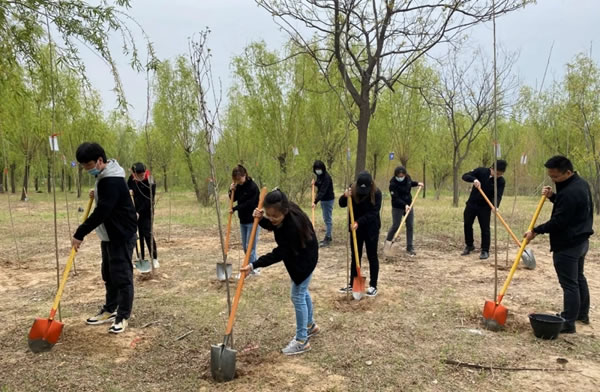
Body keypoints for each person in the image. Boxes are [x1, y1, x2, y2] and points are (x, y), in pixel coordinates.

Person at [241, 189, 319, 355]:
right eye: (268, 215)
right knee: (302, 292)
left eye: (274, 216)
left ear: (284, 211)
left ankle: (301, 340)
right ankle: (310, 326)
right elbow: (273, 224)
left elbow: (278, 253)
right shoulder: (285, 212)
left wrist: (254, 265)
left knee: (297, 295)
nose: (272, 219)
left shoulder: (291, 228)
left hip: (303, 260)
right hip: (304, 255)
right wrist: (261, 219)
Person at [72, 142, 137, 334]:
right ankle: (110, 308)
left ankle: (123, 315)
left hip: (121, 234)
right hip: (109, 234)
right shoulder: (105, 175)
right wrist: (97, 193)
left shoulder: (112, 180)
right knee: (108, 273)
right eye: (83, 166)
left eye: (88, 165)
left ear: (100, 161)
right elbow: (108, 198)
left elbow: (102, 212)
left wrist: (79, 233)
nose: (86, 169)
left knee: (122, 275)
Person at [525, 156, 593, 333]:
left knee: (570, 284)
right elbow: (569, 208)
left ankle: (568, 322)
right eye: (550, 176)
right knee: (578, 279)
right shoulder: (581, 184)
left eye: (555, 177)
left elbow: (558, 221)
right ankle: (581, 315)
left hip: (568, 245)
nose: (553, 180)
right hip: (581, 241)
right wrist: (553, 196)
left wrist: (535, 230)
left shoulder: (571, 192)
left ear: (568, 172)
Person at [338, 171, 382, 297]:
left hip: (371, 228)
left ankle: (373, 285)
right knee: (355, 256)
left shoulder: (377, 193)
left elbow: (373, 213)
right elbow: (341, 204)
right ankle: (353, 283)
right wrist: (345, 196)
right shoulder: (352, 189)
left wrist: (359, 222)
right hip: (355, 229)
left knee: (372, 255)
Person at [461, 160, 507, 260]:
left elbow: (498, 195)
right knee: (467, 224)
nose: (498, 176)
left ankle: (485, 250)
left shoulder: (501, 181)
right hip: (472, 204)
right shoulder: (481, 171)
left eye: (500, 174)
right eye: (497, 173)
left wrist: (496, 206)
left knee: (485, 228)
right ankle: (469, 245)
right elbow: (465, 176)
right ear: (492, 169)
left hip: (485, 207)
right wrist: (474, 180)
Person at [383, 166, 424, 257]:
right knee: (396, 225)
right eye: (399, 175)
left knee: (410, 225)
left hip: (409, 205)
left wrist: (417, 183)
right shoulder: (392, 184)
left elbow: (410, 184)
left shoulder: (407, 178)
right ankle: (387, 243)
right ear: (396, 175)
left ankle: (409, 247)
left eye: (402, 175)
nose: (401, 177)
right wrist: (404, 205)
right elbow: (395, 198)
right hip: (397, 207)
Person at [230, 165, 261, 275]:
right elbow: (233, 199)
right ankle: (255, 266)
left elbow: (249, 204)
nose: (238, 182)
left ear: (244, 175)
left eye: (239, 179)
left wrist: (235, 208)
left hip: (253, 220)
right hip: (243, 220)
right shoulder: (238, 186)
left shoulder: (253, 187)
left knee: (250, 247)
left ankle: (251, 270)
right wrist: (231, 191)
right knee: (245, 247)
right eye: (236, 180)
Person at [127, 162, 158, 269]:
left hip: (146, 211)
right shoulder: (131, 179)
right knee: (137, 236)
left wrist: (139, 212)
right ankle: (141, 258)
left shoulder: (150, 180)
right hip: (134, 213)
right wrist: (132, 211)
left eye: (142, 174)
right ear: (134, 173)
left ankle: (154, 258)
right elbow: (128, 194)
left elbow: (150, 198)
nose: (141, 177)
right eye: (138, 175)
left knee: (148, 234)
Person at [312, 160, 335, 247]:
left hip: (328, 200)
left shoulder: (327, 177)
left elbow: (323, 191)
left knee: (327, 219)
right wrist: (315, 183)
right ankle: (328, 236)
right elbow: (320, 184)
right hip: (323, 200)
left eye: (319, 169)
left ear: (323, 168)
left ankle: (328, 238)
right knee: (326, 218)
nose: (318, 171)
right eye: (316, 169)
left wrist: (315, 202)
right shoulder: (319, 176)